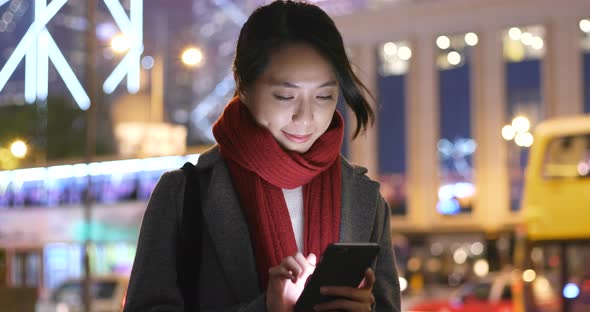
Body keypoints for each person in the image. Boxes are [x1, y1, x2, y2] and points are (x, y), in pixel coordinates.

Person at [123, 1, 401, 311]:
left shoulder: (365, 200)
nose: (306, 117)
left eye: (324, 96)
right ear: (243, 85)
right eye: (285, 96)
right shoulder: (184, 194)